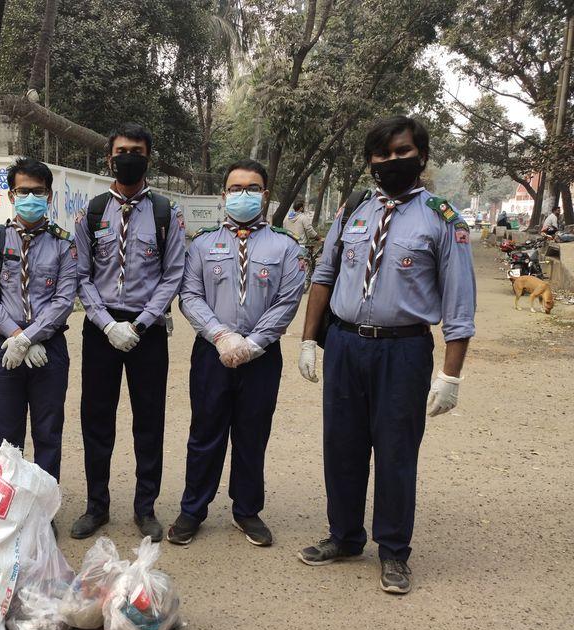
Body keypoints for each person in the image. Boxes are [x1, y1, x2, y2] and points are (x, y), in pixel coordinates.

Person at [296, 116, 476, 594]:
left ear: (421, 156)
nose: (392, 161)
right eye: (382, 154)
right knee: (342, 445)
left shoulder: (443, 218)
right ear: (371, 161)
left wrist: (450, 376)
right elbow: (324, 274)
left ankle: (394, 551)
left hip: (403, 350)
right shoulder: (353, 209)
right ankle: (344, 536)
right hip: (345, 344)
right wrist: (309, 340)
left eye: (402, 152)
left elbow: (459, 303)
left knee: (396, 452)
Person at [167, 160, 305, 546]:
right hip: (212, 352)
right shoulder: (202, 244)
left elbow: (288, 300)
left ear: (265, 194)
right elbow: (189, 295)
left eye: (253, 188)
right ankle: (193, 509)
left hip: (262, 357)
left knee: (252, 434)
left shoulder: (285, 245)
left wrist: (254, 343)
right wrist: (221, 335)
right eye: (236, 188)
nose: (244, 195)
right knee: (205, 432)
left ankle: (247, 510)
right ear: (224, 194)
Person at [71, 122, 187, 542]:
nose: (128, 157)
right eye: (121, 151)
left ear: (148, 158)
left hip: (147, 331)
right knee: (96, 419)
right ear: (109, 158)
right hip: (100, 330)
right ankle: (96, 507)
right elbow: (81, 274)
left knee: (149, 420)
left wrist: (139, 323)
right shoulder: (92, 212)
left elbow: (173, 274)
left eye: (137, 151)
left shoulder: (167, 213)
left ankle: (145, 508)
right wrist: (106, 323)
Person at [0, 157, 77, 533]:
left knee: (48, 433)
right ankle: (9, 511)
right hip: (5, 351)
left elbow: (64, 299)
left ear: (48, 196)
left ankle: (43, 514)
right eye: (23, 191)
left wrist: (31, 337)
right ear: (10, 195)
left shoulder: (64, 243)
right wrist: (16, 337)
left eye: (37, 192)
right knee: (7, 435)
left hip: (50, 350)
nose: (30, 198)